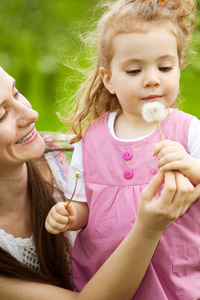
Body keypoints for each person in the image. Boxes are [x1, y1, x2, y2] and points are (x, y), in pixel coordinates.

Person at [1, 66, 198, 300]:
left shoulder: (68, 151)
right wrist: (149, 228)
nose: (31, 114)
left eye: (16, 93)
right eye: (2, 114)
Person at [45, 0, 200, 299]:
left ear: (179, 69)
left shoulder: (188, 130)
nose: (152, 78)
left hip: (174, 279)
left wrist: (190, 166)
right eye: (133, 70)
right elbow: (85, 208)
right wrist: (68, 216)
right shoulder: (91, 139)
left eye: (165, 67)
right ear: (109, 79)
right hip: (108, 278)